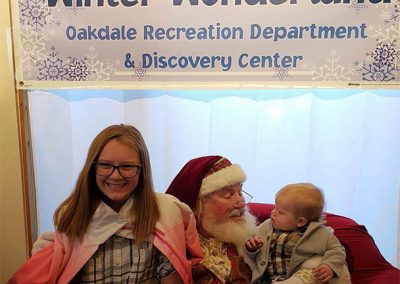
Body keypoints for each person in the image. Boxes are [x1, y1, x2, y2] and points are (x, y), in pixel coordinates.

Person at [8, 124, 203, 284]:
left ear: (142, 170)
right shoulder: (73, 216)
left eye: (127, 166)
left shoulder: (164, 213)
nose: (115, 175)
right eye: (105, 165)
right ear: (92, 168)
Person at [166, 155, 258, 283]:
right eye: (227, 194)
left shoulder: (254, 240)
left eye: (240, 192)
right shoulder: (174, 250)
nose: (241, 203)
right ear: (198, 204)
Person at [244, 183, 350, 284]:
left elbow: (337, 249)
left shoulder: (319, 233)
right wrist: (251, 248)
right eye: (275, 207)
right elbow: (251, 247)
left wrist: (329, 265)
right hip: (267, 279)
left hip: (297, 278)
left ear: (300, 221)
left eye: (280, 212)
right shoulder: (266, 227)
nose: (273, 212)